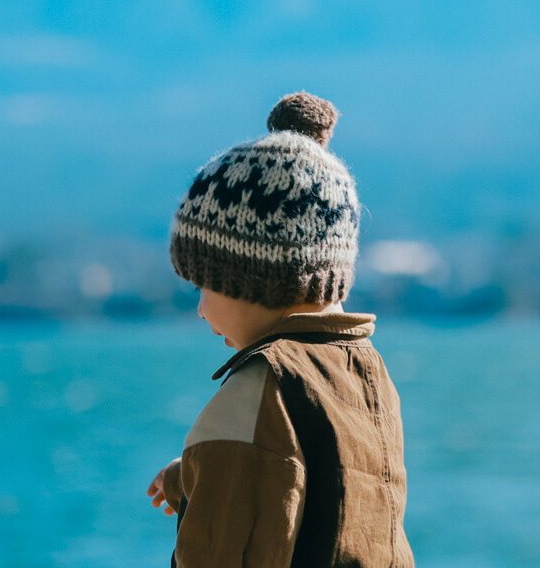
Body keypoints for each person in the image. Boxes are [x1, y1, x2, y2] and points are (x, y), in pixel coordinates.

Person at [147, 91, 416, 566]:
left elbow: (223, 548)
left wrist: (215, 465)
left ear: (251, 281)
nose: (201, 311)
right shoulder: (364, 373)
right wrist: (195, 474)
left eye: (202, 288)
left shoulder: (258, 387)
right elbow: (323, 484)